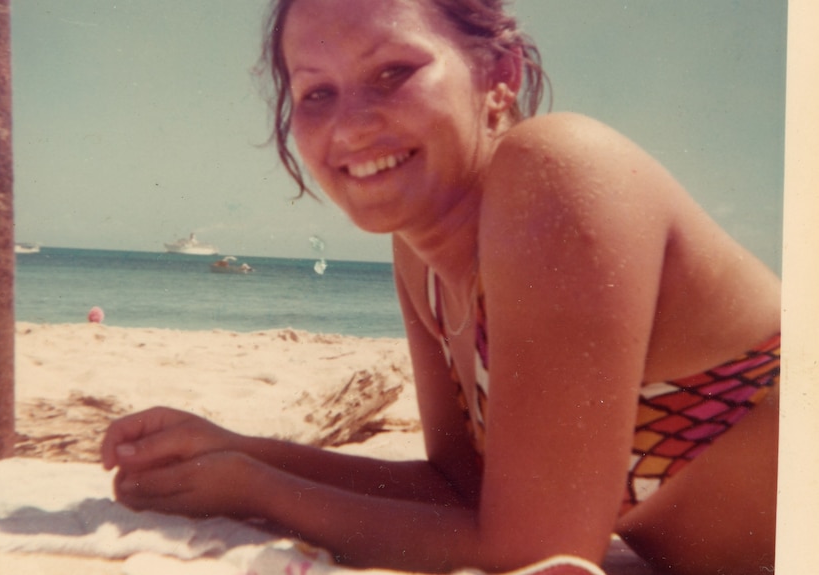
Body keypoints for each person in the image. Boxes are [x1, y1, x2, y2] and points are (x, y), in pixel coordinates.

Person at [100, 1, 781, 574]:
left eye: (393, 72)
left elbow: (541, 555)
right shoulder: (422, 256)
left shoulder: (558, 171)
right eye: (316, 92)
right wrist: (234, 448)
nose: (349, 124)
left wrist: (259, 488)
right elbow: (461, 491)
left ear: (500, 75)